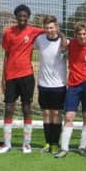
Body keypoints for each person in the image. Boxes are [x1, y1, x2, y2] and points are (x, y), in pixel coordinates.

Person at [0, 4, 44, 154]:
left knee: (27, 108)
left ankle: (26, 144)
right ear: (16, 17)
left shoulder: (33, 31)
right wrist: (3, 77)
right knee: (9, 108)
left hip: (26, 76)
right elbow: (6, 55)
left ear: (28, 17)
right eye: (20, 16)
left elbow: (52, 31)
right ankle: (7, 144)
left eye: (25, 16)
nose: (22, 18)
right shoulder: (9, 33)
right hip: (11, 76)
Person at [55, 22, 86, 158]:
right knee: (69, 116)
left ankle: (82, 147)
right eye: (79, 34)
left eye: (84, 34)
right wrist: (61, 33)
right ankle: (64, 148)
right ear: (75, 35)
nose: (82, 36)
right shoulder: (71, 44)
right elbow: (61, 42)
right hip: (73, 85)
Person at [33, 16, 67, 154]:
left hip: (59, 84)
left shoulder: (64, 42)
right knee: (46, 113)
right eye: (46, 27)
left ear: (57, 27)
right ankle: (47, 143)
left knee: (56, 113)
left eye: (51, 27)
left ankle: (55, 143)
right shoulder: (39, 40)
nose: (49, 30)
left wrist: (63, 36)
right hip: (43, 83)